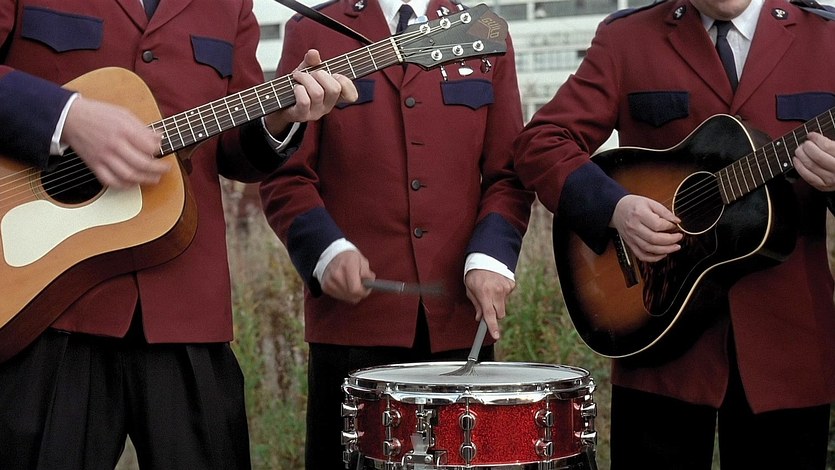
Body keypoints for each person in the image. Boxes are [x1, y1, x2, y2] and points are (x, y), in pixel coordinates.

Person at [0, 0, 357, 468]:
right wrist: (68, 118)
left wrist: (279, 119)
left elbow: (233, 152)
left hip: (186, 308)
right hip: (45, 309)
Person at [513, 0, 835, 468]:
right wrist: (614, 208)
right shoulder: (628, 37)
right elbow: (541, 142)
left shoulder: (826, 37)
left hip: (789, 346)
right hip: (655, 337)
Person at [258, 0, 533, 466]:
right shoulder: (311, 30)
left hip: (459, 324)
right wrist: (326, 252)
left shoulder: (485, 31)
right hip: (351, 329)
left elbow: (508, 176)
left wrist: (491, 258)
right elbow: (286, 175)